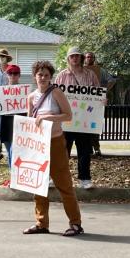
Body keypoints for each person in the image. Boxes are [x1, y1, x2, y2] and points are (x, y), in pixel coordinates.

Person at [22, 59, 84, 236]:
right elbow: (30, 122)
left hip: (55, 142)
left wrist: (49, 117)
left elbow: (68, 115)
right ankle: (41, 223)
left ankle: (75, 223)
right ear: (35, 76)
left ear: (51, 77)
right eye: (40, 74)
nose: (42, 77)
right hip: (37, 145)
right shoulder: (31, 97)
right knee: (38, 185)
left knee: (64, 184)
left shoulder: (55, 92)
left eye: (46, 75)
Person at [57, 46, 97, 190]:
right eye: (72, 56)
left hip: (84, 121)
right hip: (66, 120)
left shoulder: (90, 75)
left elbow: (97, 94)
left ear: (81, 58)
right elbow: (56, 96)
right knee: (63, 151)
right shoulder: (61, 76)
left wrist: (102, 100)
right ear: (68, 58)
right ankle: (59, 178)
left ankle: (85, 179)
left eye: (77, 56)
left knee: (84, 151)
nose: (74, 58)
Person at [84, 51, 115, 157]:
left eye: (91, 57)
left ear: (94, 58)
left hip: (96, 103)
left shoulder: (100, 70)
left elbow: (112, 80)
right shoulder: (81, 70)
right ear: (84, 58)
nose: (89, 59)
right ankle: (87, 148)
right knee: (84, 127)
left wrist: (104, 91)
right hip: (83, 103)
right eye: (87, 57)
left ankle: (97, 149)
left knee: (94, 126)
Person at [0, 64, 23, 166]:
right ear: (6, 75)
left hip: (20, 125)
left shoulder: (24, 90)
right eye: (10, 73)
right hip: (6, 125)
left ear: (19, 75)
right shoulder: (0, 91)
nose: (13, 76)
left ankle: (17, 177)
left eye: (15, 73)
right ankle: (13, 177)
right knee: (10, 152)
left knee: (18, 153)